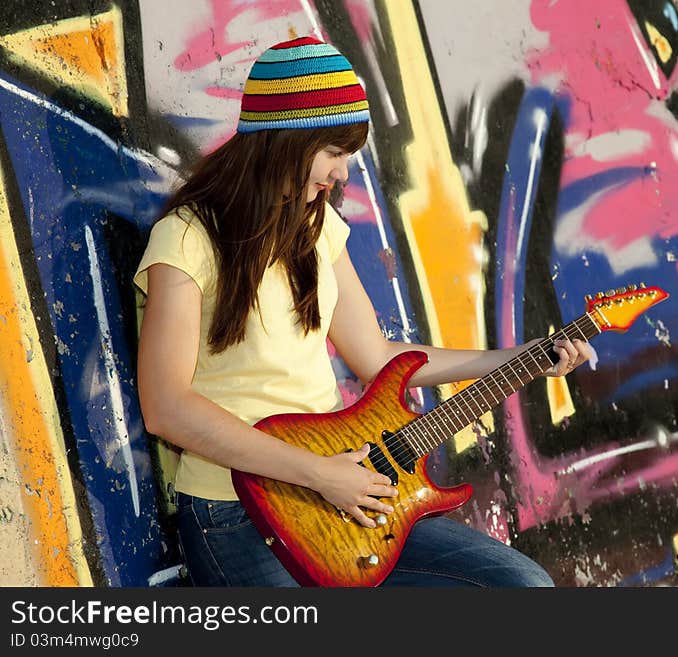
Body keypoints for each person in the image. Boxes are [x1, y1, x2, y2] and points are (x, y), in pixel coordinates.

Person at [134, 36, 595, 587]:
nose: (343, 174)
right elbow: (166, 407)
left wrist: (519, 358)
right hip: (233, 512)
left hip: (341, 491)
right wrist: (319, 473)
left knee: (521, 586)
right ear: (282, 140)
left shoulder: (317, 230)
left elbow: (378, 357)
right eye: (333, 151)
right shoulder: (186, 238)